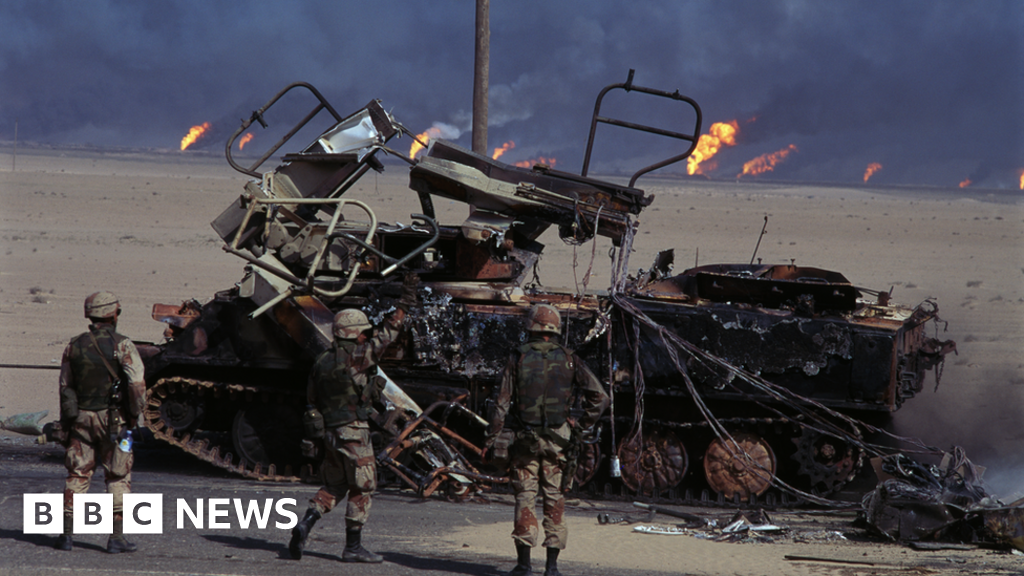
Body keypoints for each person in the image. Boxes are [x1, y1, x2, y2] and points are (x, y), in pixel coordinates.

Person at [289, 275, 416, 563]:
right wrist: (405, 302)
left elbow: (312, 400)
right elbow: (389, 332)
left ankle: (307, 522)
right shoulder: (358, 356)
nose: (365, 336)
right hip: (354, 433)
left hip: (331, 433)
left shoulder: (321, 361)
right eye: (362, 332)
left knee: (335, 485)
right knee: (363, 486)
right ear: (352, 333)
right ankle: (353, 547)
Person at [485, 304, 610, 576]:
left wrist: (492, 439)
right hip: (559, 439)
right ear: (555, 329)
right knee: (555, 498)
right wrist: (581, 426)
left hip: (525, 440)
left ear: (531, 326)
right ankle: (552, 568)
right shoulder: (570, 359)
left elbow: (501, 404)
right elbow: (600, 398)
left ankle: (523, 565)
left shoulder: (517, 357)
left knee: (525, 496)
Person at [55, 291, 146, 553]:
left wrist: (66, 423)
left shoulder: (73, 345)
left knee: (77, 474)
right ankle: (116, 538)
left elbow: (65, 387)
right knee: (118, 476)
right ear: (113, 314)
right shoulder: (123, 345)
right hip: (116, 423)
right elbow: (137, 385)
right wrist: (133, 415)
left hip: (81, 419)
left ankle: (67, 536)